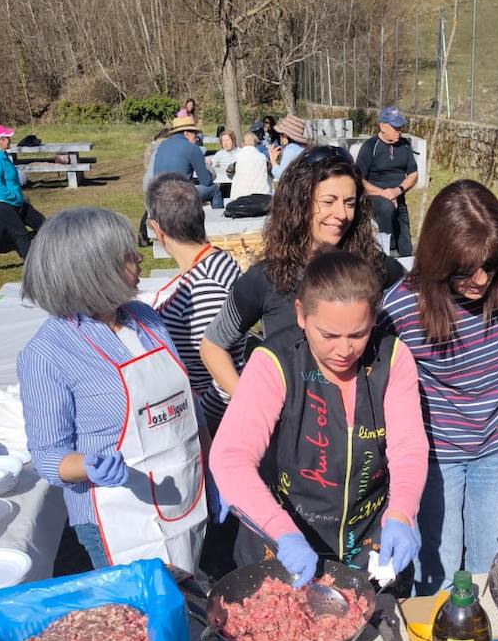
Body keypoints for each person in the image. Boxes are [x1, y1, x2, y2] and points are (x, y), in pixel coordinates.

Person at [211, 250, 427, 580]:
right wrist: (281, 531)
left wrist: (401, 512)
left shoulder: (392, 357)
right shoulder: (275, 362)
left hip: (369, 540)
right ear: (301, 315)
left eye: (358, 334)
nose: (343, 350)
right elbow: (231, 457)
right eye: (328, 335)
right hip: (285, 539)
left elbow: (408, 449)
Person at [18, 207, 210, 573]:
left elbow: (186, 402)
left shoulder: (145, 318)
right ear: (93, 272)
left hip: (184, 493)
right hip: (119, 515)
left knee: (190, 601)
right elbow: (47, 456)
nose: (138, 258)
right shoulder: (47, 354)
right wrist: (88, 465)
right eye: (126, 256)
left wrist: (213, 466)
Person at [378, 180, 498, 593]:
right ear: (437, 259)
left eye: (492, 264)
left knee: (492, 569)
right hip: (437, 458)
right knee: (438, 573)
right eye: (465, 269)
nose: (482, 280)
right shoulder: (400, 309)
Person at [200, 147, 406, 403]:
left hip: (362, 429)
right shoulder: (267, 277)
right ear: (300, 201)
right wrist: (251, 404)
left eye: (350, 203)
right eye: (328, 201)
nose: (341, 215)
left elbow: (413, 317)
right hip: (292, 433)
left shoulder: (375, 267)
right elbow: (212, 345)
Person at [145, 174, 243, 431]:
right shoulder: (218, 260)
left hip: (214, 425)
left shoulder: (204, 288)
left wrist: (200, 421)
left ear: (157, 229)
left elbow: (225, 380)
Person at [0, 124, 45, 277]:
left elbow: (14, 178)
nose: (10, 139)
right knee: (21, 234)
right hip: (0, 204)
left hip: (13, 202)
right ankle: (33, 269)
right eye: (7, 137)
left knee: (39, 222)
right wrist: (14, 197)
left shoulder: (3, 156)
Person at [355, 107, 419, 257]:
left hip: (398, 196)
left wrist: (397, 191)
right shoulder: (370, 147)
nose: (399, 131)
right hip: (374, 198)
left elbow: (413, 174)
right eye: (395, 127)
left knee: (406, 248)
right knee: (386, 207)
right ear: (382, 126)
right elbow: (358, 178)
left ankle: (403, 257)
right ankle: (386, 253)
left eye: (400, 127)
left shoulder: (404, 145)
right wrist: (384, 194)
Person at [152, 116, 223, 210]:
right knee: (214, 190)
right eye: (195, 133)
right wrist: (210, 172)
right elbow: (206, 182)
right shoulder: (192, 148)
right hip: (179, 196)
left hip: (158, 195)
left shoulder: (162, 145)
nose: (197, 137)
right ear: (186, 133)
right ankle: (217, 222)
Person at [228, 131, 273, 202]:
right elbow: (272, 172)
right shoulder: (263, 158)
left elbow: (229, 173)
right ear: (255, 144)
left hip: (240, 198)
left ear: (243, 143)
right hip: (262, 197)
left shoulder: (237, 157)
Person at [269, 113, 307, 179]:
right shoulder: (302, 148)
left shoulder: (290, 149)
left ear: (286, 135)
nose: (281, 136)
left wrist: (273, 160)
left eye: (281, 134)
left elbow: (281, 175)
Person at [207, 129, 237, 201]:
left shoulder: (240, 152)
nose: (225, 143)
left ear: (233, 141)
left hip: (237, 184)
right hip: (224, 184)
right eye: (223, 141)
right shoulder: (219, 154)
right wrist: (209, 163)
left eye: (227, 140)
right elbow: (211, 166)